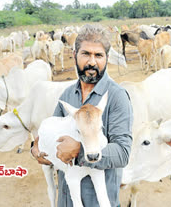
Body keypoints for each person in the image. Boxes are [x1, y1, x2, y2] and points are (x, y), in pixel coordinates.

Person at [31, 24, 133, 207]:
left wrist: (79, 151)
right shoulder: (67, 95)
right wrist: (35, 148)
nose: (92, 62)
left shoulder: (117, 97)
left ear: (107, 59)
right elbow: (52, 133)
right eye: (86, 54)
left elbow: (122, 153)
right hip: (67, 199)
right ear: (74, 55)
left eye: (98, 55)